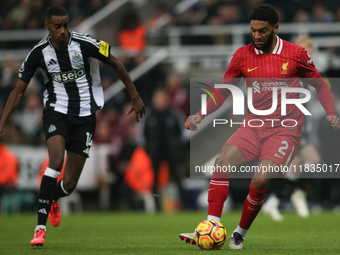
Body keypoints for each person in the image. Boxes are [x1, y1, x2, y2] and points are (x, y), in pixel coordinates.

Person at [179, 4, 340, 249]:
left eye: (262, 31)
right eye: (253, 30)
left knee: (260, 179)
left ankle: (239, 233)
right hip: (253, 125)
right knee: (222, 163)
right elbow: (224, 89)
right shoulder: (242, 55)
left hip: (285, 129)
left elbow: (320, 85)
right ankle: (211, 224)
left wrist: (330, 112)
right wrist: (201, 113)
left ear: (275, 28)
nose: (257, 35)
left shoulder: (295, 53)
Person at [0, 5, 145, 247]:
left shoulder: (84, 43)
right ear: (47, 26)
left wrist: (135, 96)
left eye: (66, 25)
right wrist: (3, 121)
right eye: (57, 26)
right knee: (55, 162)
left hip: (86, 116)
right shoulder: (38, 53)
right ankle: (40, 228)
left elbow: (117, 64)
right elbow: (19, 91)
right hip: (56, 112)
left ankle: (54, 198)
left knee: (69, 185)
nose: (63, 31)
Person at [262, 35, 321, 220]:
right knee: (313, 161)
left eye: (310, 48)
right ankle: (297, 196)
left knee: (295, 170)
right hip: (294, 127)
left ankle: (274, 202)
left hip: (305, 128)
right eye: (305, 48)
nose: (309, 51)